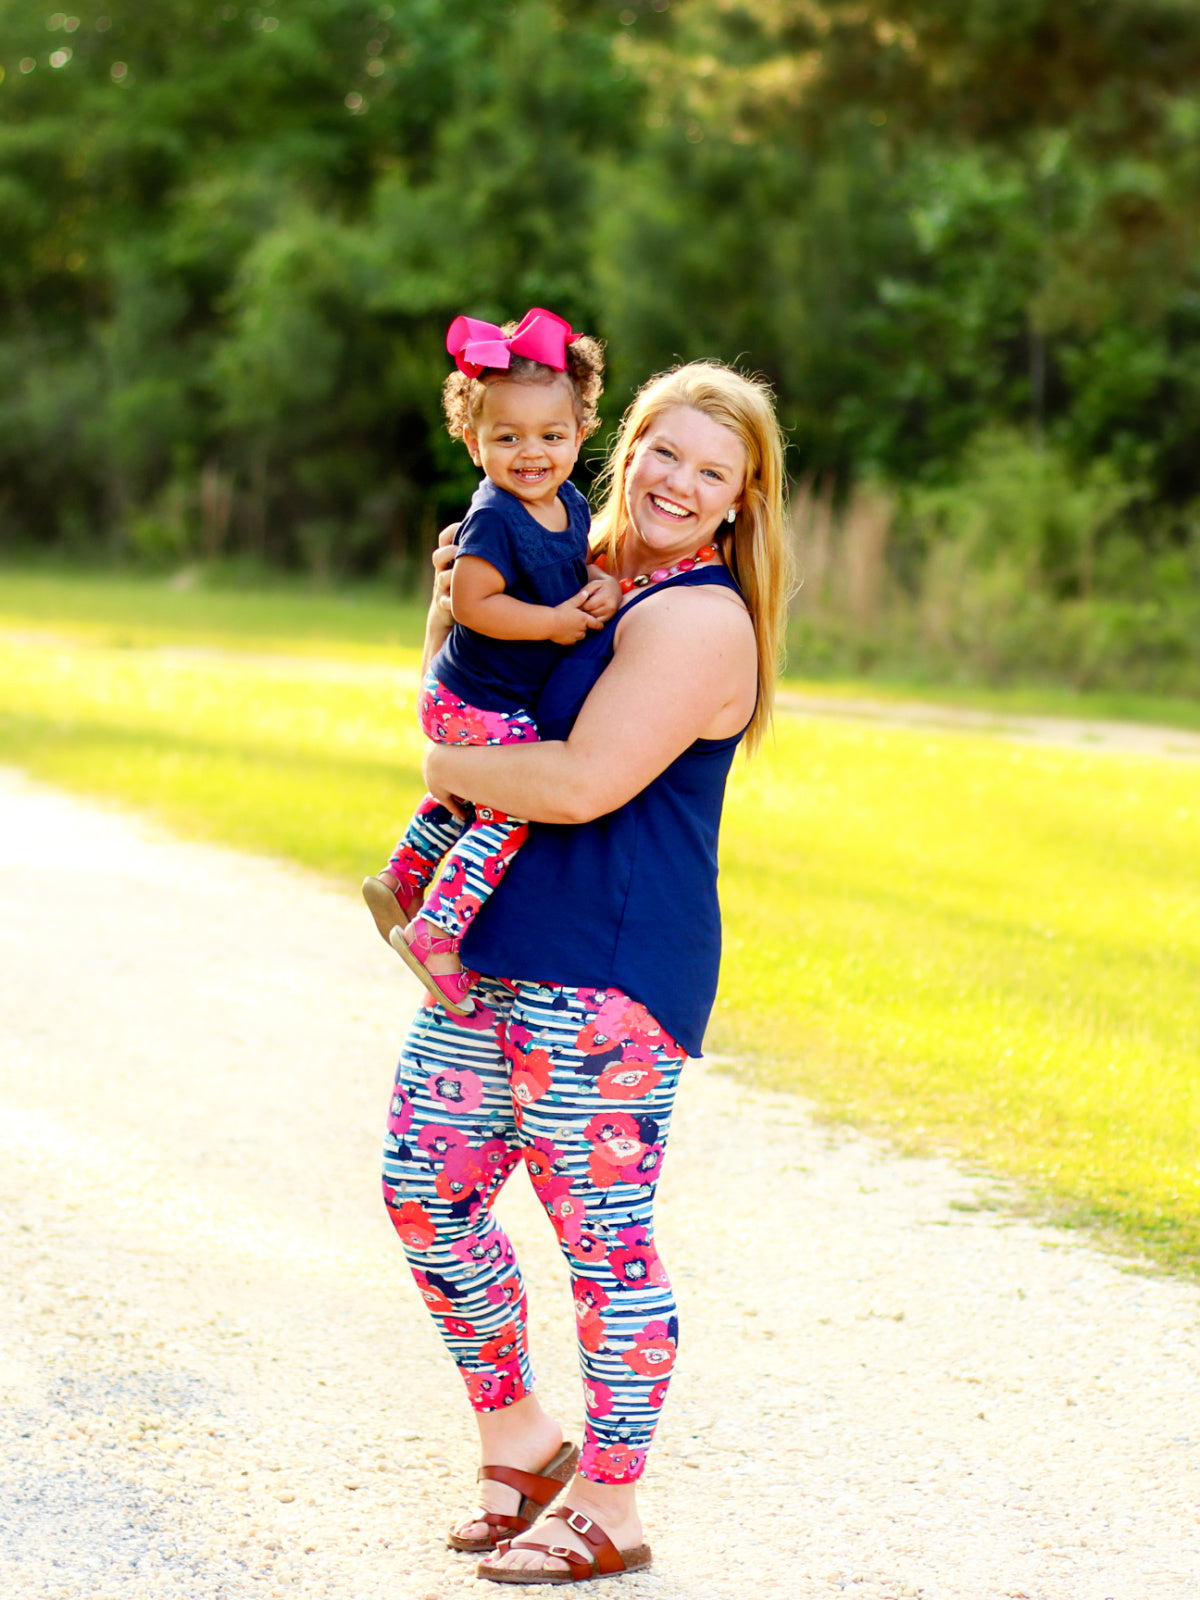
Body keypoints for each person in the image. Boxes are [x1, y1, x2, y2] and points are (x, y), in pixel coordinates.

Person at [380, 360, 791, 1584]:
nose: (680, 483)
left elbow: (577, 781)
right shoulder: (566, 565)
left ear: (741, 499)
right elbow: (460, 687)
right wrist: (453, 609)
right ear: (628, 449)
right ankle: (520, 1440)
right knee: (425, 1186)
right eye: (665, 451)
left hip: (608, 970)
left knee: (601, 1238)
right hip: (496, 946)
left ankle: (610, 1502)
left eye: (713, 471)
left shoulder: (700, 618)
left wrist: (442, 770)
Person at [362, 307, 619, 1014]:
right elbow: (472, 603)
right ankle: (436, 931)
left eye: (551, 435)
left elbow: (569, 567)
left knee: (478, 792)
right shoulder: (494, 518)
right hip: (471, 696)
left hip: (485, 697)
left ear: (580, 434)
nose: (531, 453)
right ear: (475, 444)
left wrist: (599, 582)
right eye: (508, 437)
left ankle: (403, 876)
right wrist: (553, 623)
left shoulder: (567, 503)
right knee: (511, 807)